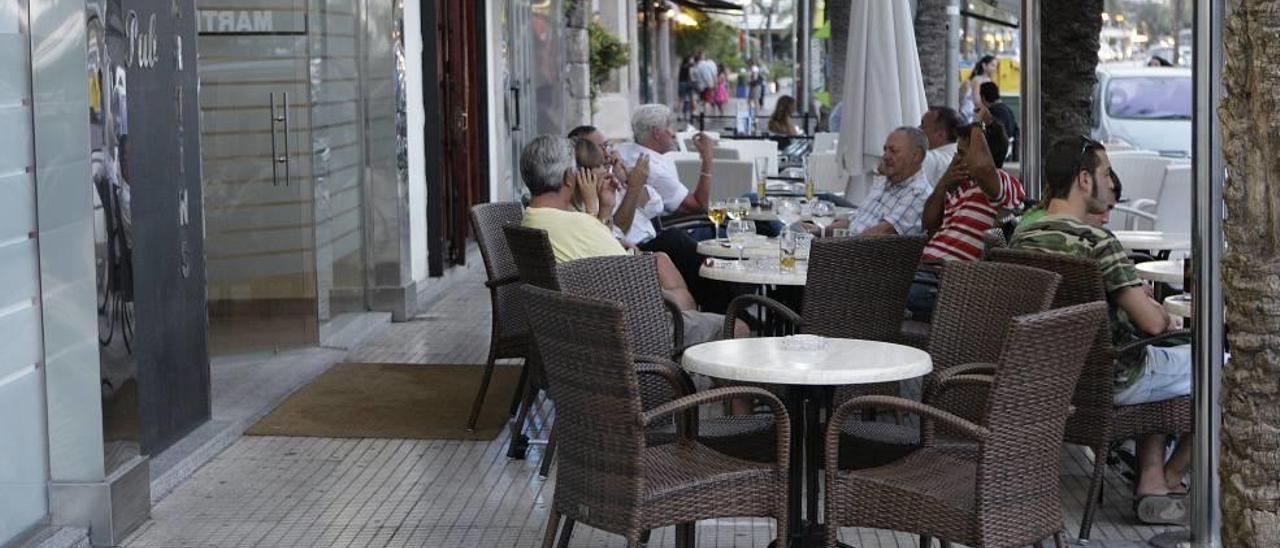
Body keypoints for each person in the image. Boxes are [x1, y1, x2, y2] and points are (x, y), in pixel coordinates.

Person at [1009, 136, 1191, 525]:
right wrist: (1160, 311)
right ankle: (1165, 480)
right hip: (1115, 378)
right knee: (1222, 366)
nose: (1111, 182)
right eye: (1106, 172)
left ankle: (1151, 476)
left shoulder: (1022, 237)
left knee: (1160, 363)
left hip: (1053, 382)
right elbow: (1153, 324)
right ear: (1084, 180)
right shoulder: (1096, 241)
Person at [517, 135, 739, 343]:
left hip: (580, 329)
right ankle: (683, 366)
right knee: (736, 328)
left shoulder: (530, 220)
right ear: (569, 178)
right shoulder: (578, 222)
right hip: (626, 331)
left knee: (667, 263)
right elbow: (627, 270)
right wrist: (596, 209)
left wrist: (602, 209)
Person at [906, 119, 1024, 316]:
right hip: (925, 274)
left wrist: (978, 124)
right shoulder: (960, 188)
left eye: (962, 154)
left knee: (879, 293)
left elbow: (981, 168)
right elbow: (928, 224)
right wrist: (943, 183)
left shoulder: (1003, 184)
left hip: (951, 285)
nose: (956, 160)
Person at [613, 105, 714, 291]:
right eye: (670, 126)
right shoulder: (650, 166)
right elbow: (700, 206)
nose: (673, 132)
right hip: (681, 228)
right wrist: (707, 158)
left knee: (749, 205)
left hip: (656, 228)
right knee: (743, 224)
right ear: (656, 132)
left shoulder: (624, 150)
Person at [821, 127, 932, 235]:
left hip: (858, 250)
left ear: (917, 156)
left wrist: (830, 245)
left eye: (894, 151)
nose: (885, 156)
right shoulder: (885, 181)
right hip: (844, 246)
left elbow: (880, 234)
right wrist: (818, 231)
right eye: (885, 150)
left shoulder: (918, 194)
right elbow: (853, 222)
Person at [567, 126, 660, 249]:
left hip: (646, 241)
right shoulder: (585, 197)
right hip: (634, 250)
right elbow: (608, 240)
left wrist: (626, 180)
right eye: (599, 149)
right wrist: (633, 187)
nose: (607, 155)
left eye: (607, 146)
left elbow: (655, 207)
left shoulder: (612, 177)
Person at [919, 106, 963, 186]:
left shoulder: (930, 158)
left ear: (940, 135)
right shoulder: (963, 157)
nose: (918, 129)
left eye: (923, 126)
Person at [979, 82, 1018, 160]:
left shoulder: (990, 113)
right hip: (1009, 154)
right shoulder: (1008, 110)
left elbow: (983, 135)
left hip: (996, 157)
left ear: (983, 98)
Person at [959, 55, 995, 122]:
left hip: (978, 115)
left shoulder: (989, 81)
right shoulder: (976, 80)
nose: (994, 68)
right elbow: (977, 101)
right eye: (992, 65)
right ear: (984, 66)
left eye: (995, 66)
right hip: (968, 115)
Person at [678, 56, 696, 120]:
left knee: (681, 99)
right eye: (691, 59)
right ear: (688, 60)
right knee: (692, 99)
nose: (692, 60)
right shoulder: (690, 66)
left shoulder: (682, 66)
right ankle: (693, 113)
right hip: (688, 83)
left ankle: (680, 114)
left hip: (681, 83)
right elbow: (691, 76)